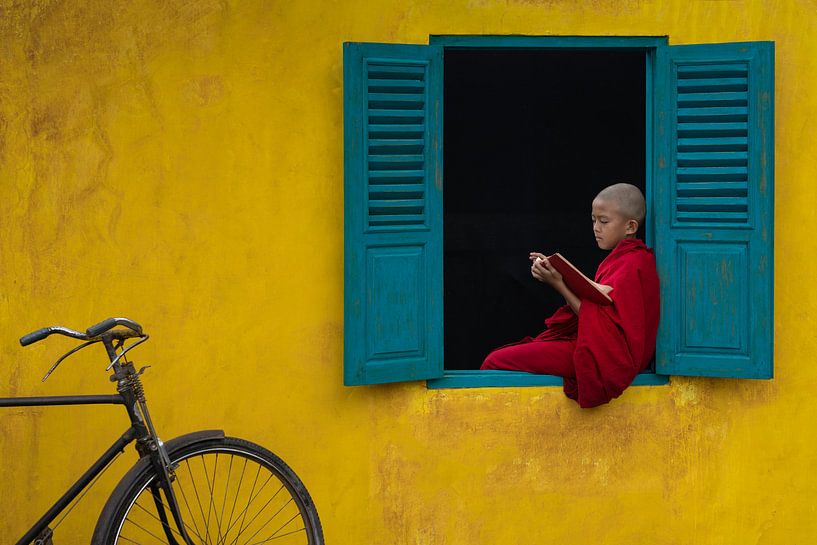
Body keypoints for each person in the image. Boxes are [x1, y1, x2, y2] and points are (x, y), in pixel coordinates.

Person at [480, 183, 660, 408]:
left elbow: (601, 327)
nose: (596, 228)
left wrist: (558, 284)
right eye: (593, 220)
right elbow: (596, 309)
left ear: (630, 226)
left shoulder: (633, 263)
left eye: (604, 221)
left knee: (495, 361)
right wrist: (559, 275)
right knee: (500, 357)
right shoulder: (622, 259)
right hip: (592, 343)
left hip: (603, 355)